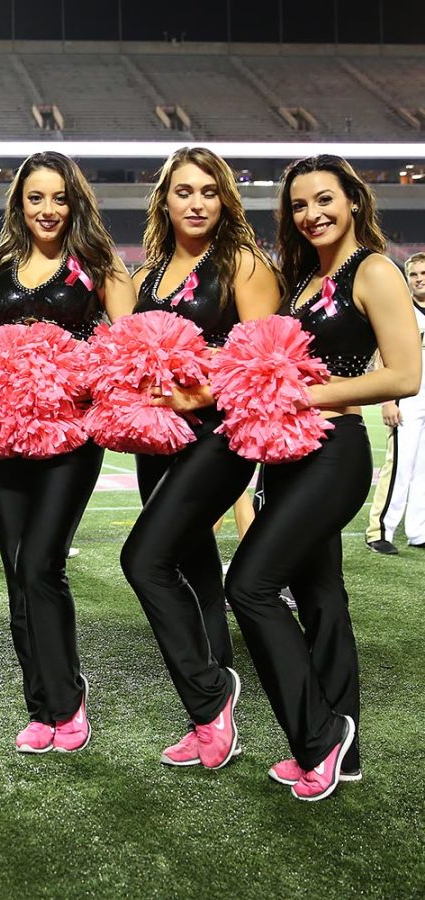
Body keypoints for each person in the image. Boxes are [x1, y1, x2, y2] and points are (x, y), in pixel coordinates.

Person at [226, 155, 420, 801]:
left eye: (325, 200)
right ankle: (345, 752)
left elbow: (405, 375)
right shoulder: (310, 276)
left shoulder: (374, 270)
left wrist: (309, 396)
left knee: (249, 584)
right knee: (321, 600)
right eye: (300, 205)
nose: (313, 214)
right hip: (289, 453)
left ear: (354, 200)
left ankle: (318, 735)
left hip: (335, 450)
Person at [120, 146, 281, 771]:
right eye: (183, 191)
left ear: (225, 199)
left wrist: (200, 390)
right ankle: (212, 722)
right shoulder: (151, 271)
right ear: (165, 199)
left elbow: (265, 361)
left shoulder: (242, 264)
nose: (196, 202)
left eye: (209, 191)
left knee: (143, 559)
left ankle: (212, 692)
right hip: (161, 437)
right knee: (194, 570)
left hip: (220, 436)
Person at [0, 151, 135, 753]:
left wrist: (80, 376)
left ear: (76, 203)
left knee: (42, 562)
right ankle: (39, 702)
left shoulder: (99, 266)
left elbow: (128, 353)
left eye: (59, 198)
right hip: (5, 437)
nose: (47, 209)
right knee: (18, 571)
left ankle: (67, 700)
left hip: (72, 436)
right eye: (35, 197)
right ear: (19, 203)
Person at [365, 252, 425, 554]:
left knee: (424, 467)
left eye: (424, 273)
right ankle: (380, 530)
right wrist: (388, 401)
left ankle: (418, 530)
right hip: (408, 398)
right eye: (414, 274)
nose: (420, 279)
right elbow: (382, 355)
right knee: (399, 465)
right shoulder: (403, 311)